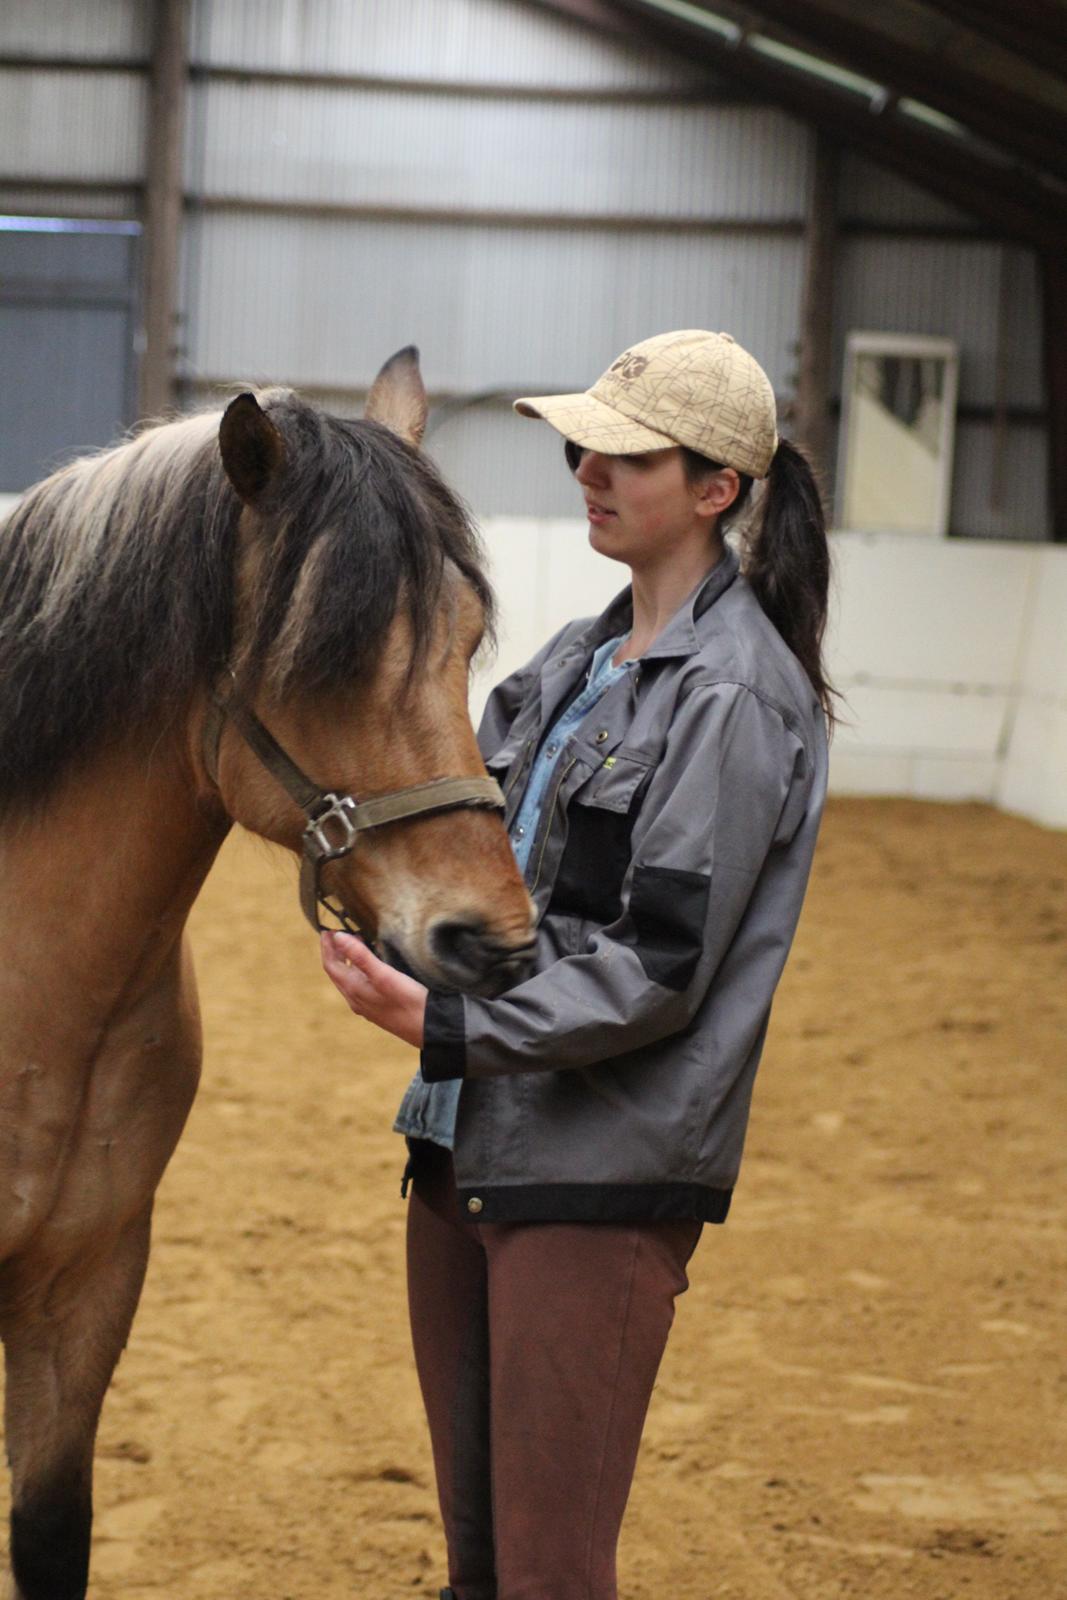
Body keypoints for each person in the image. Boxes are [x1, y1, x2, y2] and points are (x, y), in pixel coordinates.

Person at [321, 328, 834, 1600]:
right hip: (464, 1145)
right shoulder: (570, 663)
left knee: (551, 1574)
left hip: (597, 1169)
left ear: (716, 489)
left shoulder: (732, 694)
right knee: (481, 1568)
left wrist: (440, 1030)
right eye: (578, 449)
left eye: (625, 456)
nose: (587, 473)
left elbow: (658, 961)